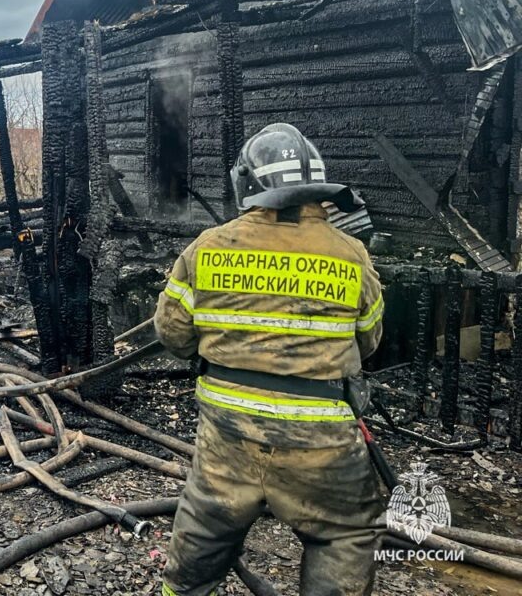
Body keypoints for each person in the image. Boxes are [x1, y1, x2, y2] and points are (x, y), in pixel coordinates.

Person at [155, 123, 386, 596]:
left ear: (248, 184)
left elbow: (173, 333)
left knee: (202, 531)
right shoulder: (352, 256)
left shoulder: (208, 248)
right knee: (345, 533)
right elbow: (368, 342)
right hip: (322, 441)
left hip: (228, 435)